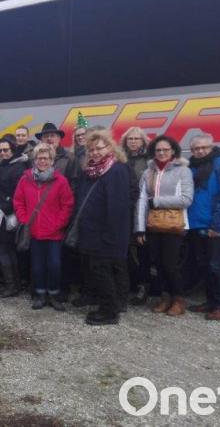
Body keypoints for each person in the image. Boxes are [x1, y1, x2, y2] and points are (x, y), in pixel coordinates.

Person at [74, 130, 132, 325]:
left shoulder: (116, 170)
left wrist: (110, 235)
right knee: (97, 270)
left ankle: (109, 312)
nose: (95, 152)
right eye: (91, 149)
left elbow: (117, 206)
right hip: (91, 232)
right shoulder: (91, 170)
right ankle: (106, 304)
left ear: (110, 147)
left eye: (99, 148)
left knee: (103, 271)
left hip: (106, 235)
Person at [134, 135, 193, 316]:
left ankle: (179, 299)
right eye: (158, 150)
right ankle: (165, 298)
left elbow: (186, 199)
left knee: (170, 264)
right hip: (153, 225)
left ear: (173, 151)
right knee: (158, 264)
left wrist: (157, 201)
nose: (161, 153)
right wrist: (139, 227)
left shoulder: (182, 171)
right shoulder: (148, 172)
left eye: (165, 150)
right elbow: (142, 200)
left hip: (174, 225)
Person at [186, 134, 220, 321]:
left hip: (215, 227)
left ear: (212, 147)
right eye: (196, 148)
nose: (200, 151)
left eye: (204, 147)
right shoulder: (192, 167)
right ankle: (210, 302)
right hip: (196, 224)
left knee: (218, 266)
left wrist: (217, 225)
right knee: (204, 265)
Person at [13, 143, 74, 310]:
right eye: (39, 158)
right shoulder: (25, 179)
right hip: (34, 231)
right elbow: (18, 201)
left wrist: (58, 224)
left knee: (54, 264)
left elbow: (67, 205)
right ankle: (40, 294)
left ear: (52, 160)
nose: (42, 161)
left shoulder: (60, 181)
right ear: (34, 160)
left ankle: (54, 294)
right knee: (37, 265)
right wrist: (24, 219)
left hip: (54, 232)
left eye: (46, 158)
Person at [0, 138, 28, 297]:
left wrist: (3, 208)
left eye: (6, 150)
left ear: (12, 151)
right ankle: (12, 283)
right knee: (3, 250)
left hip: (8, 215)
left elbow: (17, 194)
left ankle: (12, 285)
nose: (3, 153)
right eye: (0, 150)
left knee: (5, 250)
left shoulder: (18, 168)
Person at [120, 127, 151, 304]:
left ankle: (143, 286)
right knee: (125, 251)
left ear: (143, 141)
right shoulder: (120, 159)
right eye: (130, 138)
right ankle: (129, 284)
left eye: (136, 139)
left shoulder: (149, 160)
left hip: (142, 210)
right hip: (124, 210)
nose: (133, 141)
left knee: (142, 250)